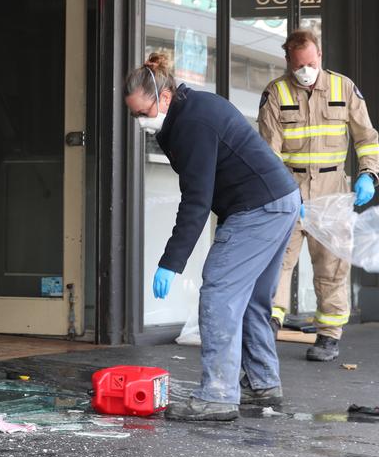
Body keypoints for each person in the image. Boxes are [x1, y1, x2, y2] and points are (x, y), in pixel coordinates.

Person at [124, 53, 301, 421]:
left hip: (258, 208)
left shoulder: (193, 123)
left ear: (166, 97)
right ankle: (262, 382)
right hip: (277, 201)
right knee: (251, 298)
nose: (140, 121)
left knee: (219, 292)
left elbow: (197, 199)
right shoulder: (187, 113)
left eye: (143, 112)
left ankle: (217, 397)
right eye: (134, 115)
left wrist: (171, 263)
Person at [258, 29, 379, 362]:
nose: (305, 71)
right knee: (277, 263)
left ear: (320, 56)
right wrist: (281, 194)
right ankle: (269, 322)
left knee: (332, 266)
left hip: (332, 191)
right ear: (288, 61)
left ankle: (328, 335)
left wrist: (368, 174)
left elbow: (366, 137)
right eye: (298, 65)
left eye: (310, 63)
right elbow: (267, 153)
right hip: (289, 190)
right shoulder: (276, 92)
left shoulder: (344, 88)